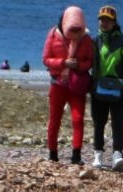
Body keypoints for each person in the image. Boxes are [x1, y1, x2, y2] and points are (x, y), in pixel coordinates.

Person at [42, 6, 95, 164]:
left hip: (77, 84)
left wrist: (77, 65)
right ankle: (52, 154)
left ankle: (76, 155)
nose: (75, 33)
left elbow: (90, 61)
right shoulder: (53, 35)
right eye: (73, 29)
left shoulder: (86, 39)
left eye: (78, 29)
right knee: (54, 120)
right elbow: (46, 59)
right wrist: (63, 62)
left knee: (78, 119)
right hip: (57, 83)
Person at [90, 4, 123, 170]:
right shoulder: (94, 41)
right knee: (99, 122)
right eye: (102, 20)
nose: (104, 23)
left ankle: (117, 154)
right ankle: (98, 154)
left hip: (119, 90)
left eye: (108, 20)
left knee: (117, 123)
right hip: (98, 88)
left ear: (114, 22)